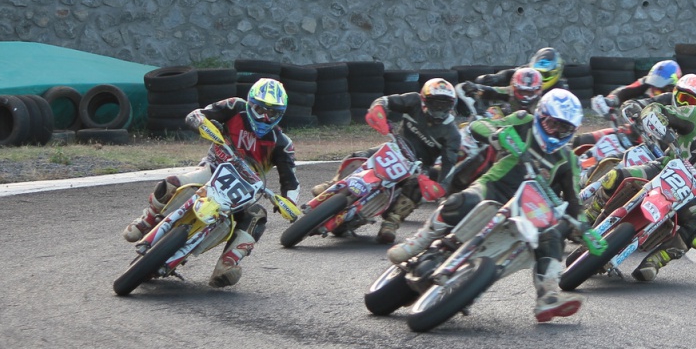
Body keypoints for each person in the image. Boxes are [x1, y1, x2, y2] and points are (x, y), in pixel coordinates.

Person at [387, 89, 590, 323]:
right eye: (552, 124)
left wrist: (585, 229)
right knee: (461, 201)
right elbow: (479, 125)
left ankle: (548, 294)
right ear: (540, 116)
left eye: (564, 128)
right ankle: (419, 241)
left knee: (553, 236)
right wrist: (497, 135)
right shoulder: (522, 121)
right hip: (493, 188)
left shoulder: (569, 160)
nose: (556, 132)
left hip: (529, 209)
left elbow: (574, 200)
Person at [122, 78, 299, 287]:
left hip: (244, 191)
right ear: (251, 104)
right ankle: (148, 219)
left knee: (257, 215)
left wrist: (289, 203)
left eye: (273, 113)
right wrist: (201, 122)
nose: (265, 118)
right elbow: (197, 114)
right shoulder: (234, 106)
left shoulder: (282, 143)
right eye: (260, 110)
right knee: (172, 182)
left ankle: (228, 263)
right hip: (212, 169)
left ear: (281, 114)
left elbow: (291, 181)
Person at [583, 88, 696, 281]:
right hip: (662, 167)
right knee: (615, 176)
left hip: (688, 193)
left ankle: (656, 261)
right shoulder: (694, 116)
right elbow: (659, 109)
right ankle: (592, 212)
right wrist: (657, 118)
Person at [312, 79, 461, 244]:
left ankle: (391, 223)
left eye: (444, 105)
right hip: (395, 147)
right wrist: (378, 110)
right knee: (360, 154)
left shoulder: (453, 134)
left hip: (418, 165)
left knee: (416, 187)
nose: (439, 109)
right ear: (424, 100)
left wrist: (439, 187)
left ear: (451, 105)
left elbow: (449, 165)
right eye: (435, 103)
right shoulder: (413, 100)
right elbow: (384, 100)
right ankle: (334, 183)